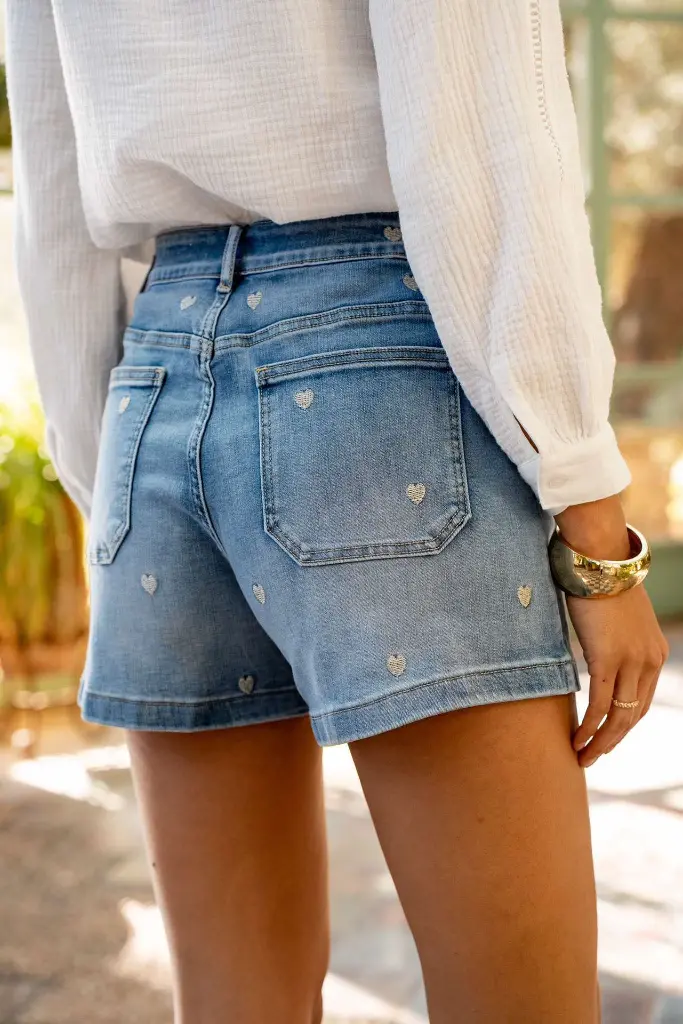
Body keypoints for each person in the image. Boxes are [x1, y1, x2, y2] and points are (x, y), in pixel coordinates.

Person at [6, 2, 669, 1021]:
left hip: (157, 374)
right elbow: (482, 135)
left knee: (235, 1006)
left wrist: (109, 484)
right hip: (378, 352)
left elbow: (50, 173)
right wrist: (594, 529)